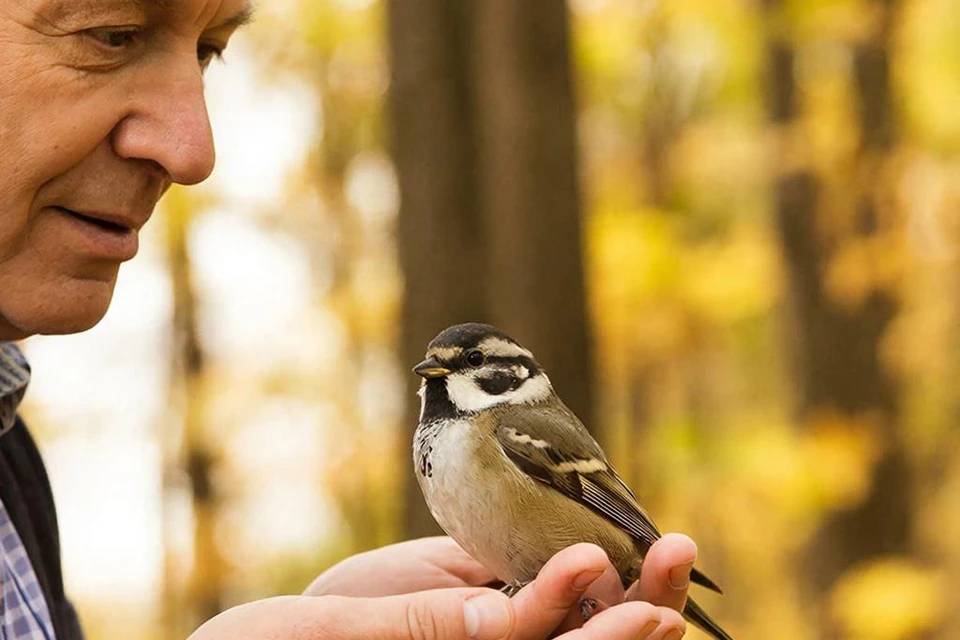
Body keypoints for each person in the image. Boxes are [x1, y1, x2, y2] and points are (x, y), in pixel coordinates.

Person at [0, 1, 695, 638]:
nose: (194, 152)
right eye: (111, 35)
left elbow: (602, 502)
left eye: (210, 53)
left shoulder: (14, 469)